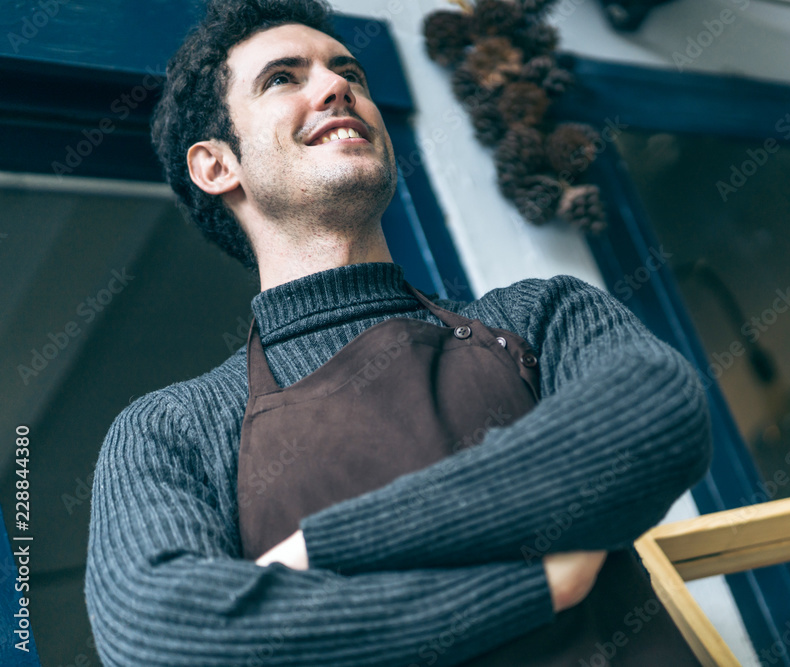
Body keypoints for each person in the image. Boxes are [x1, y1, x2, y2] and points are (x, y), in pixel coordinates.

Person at [83, 0, 712, 664]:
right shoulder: (172, 427)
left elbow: (657, 418)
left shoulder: (540, 315)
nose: (337, 87)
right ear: (215, 165)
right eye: (283, 78)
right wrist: (528, 589)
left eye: (346, 70)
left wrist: (325, 549)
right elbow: (163, 632)